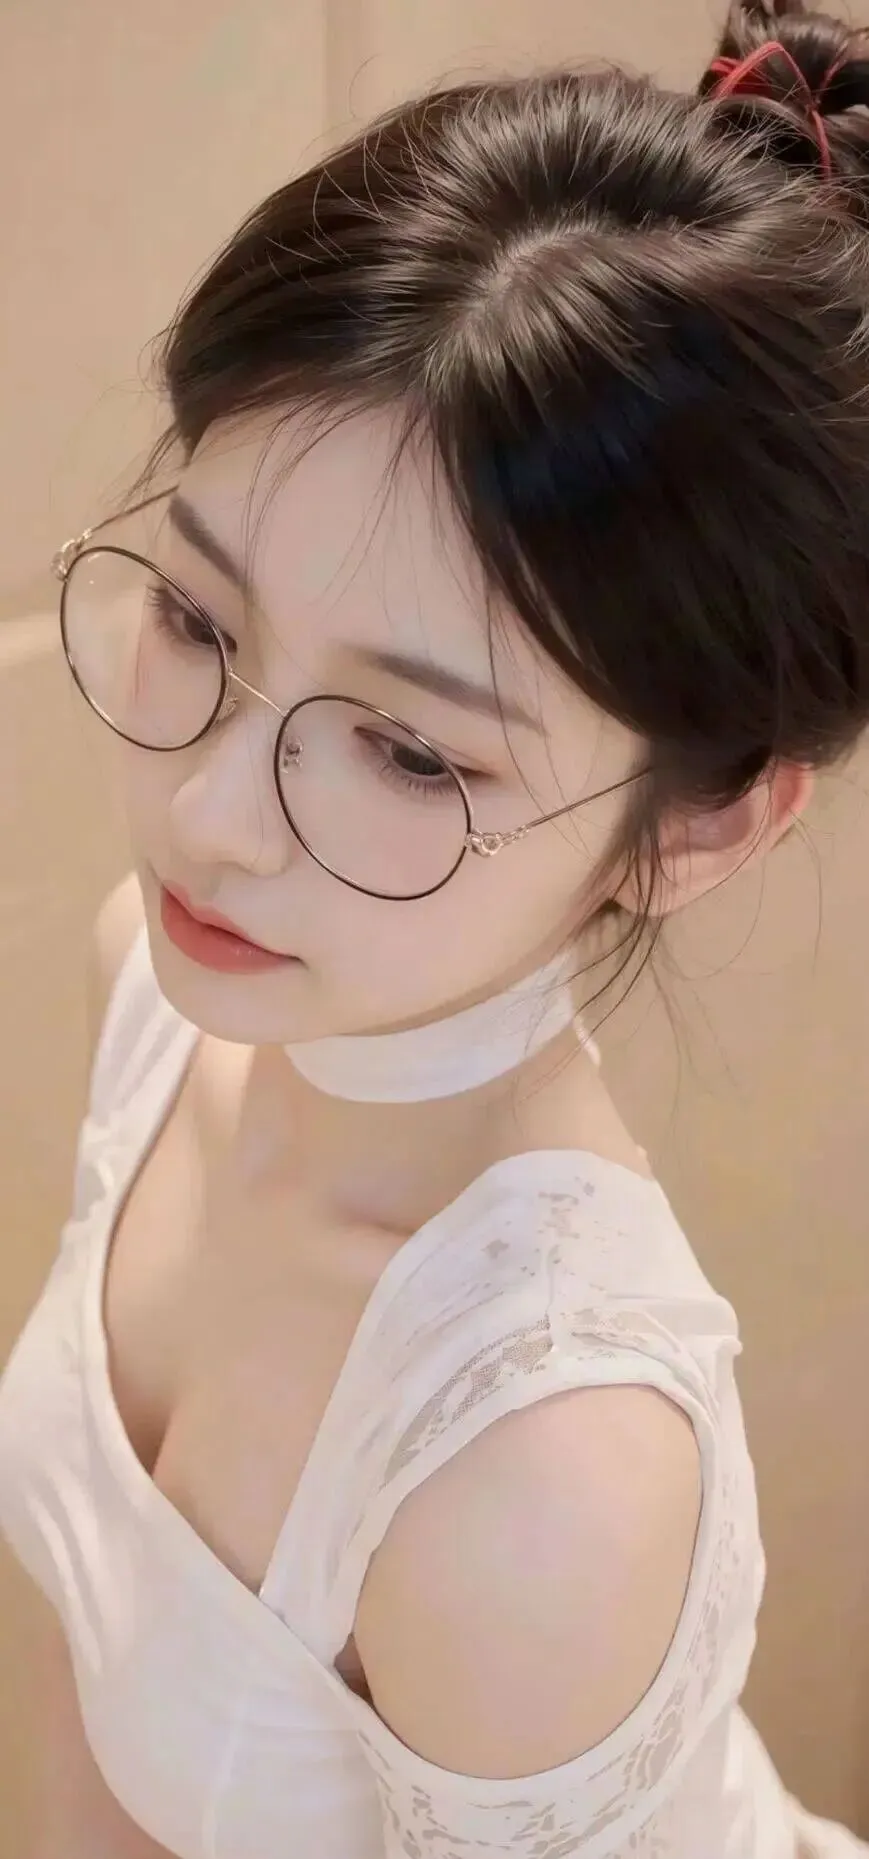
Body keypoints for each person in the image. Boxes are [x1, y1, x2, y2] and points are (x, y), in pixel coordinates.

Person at [2, 0, 869, 1853]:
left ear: (698, 826)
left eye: (406, 750)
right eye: (200, 620)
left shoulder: (535, 1460)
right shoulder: (158, 992)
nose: (212, 820)